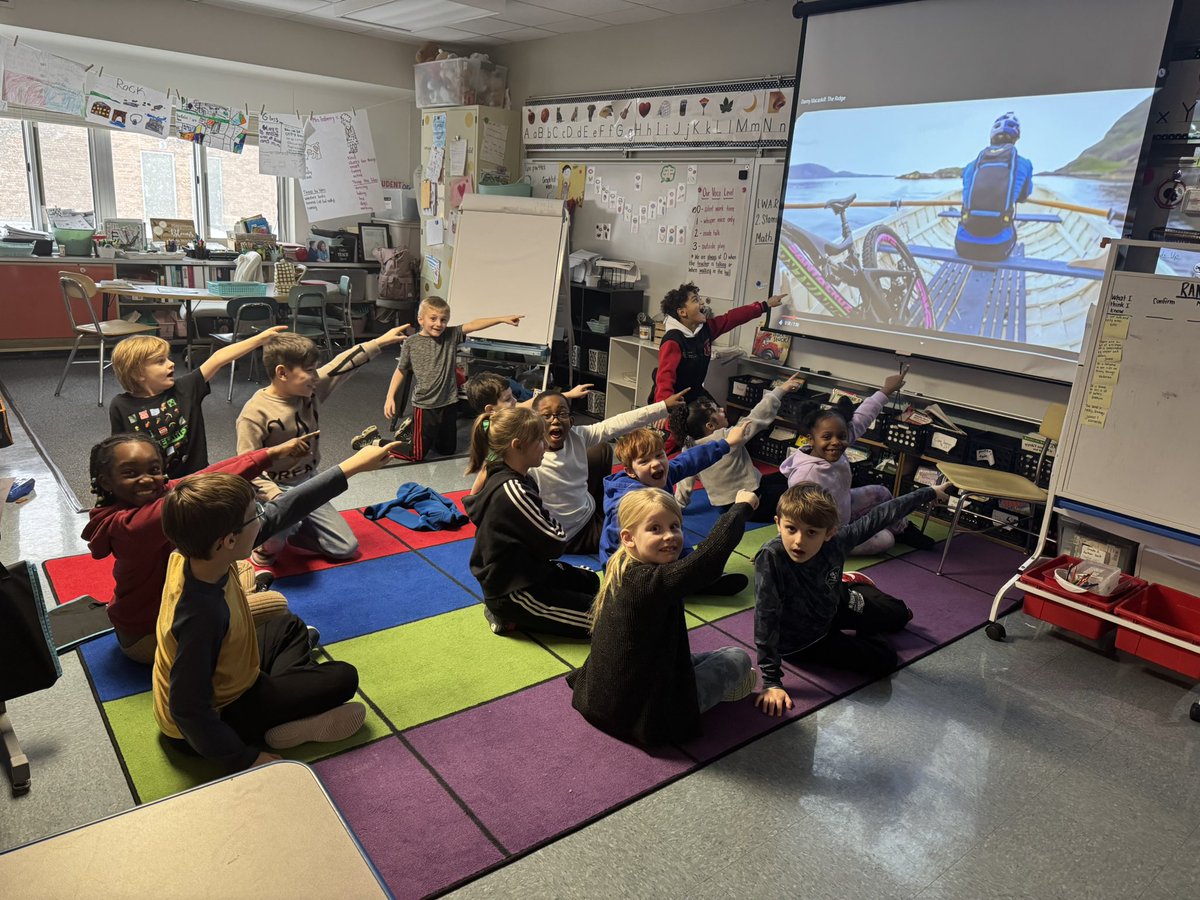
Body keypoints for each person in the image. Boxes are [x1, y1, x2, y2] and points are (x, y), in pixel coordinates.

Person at [154, 440, 400, 771]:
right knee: (343, 677)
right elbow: (187, 709)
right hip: (210, 721)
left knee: (290, 627)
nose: (263, 518)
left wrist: (353, 465)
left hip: (229, 677)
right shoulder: (203, 615)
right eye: (254, 515)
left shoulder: (194, 550)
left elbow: (285, 509)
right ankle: (284, 727)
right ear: (228, 540)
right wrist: (245, 758)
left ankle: (287, 707)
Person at [82, 432, 311, 663]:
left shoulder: (156, 496)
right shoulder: (131, 526)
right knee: (276, 604)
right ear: (105, 481)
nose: (146, 479)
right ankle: (266, 644)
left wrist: (269, 454)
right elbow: (207, 485)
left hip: (150, 613)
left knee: (241, 567)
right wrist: (268, 456)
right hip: (152, 637)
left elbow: (203, 476)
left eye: (153, 470)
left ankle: (242, 599)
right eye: (130, 473)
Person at [567, 488, 759, 745]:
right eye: (655, 529)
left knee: (710, 656)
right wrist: (740, 509)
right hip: (641, 715)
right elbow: (708, 561)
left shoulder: (622, 567)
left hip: (600, 699)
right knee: (739, 657)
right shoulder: (649, 582)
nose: (669, 536)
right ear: (628, 537)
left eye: (675, 526)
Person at [753, 479, 953, 716]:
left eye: (811, 533)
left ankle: (851, 586)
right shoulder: (771, 557)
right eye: (791, 529)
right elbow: (766, 617)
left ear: (829, 533)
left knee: (899, 614)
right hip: (804, 642)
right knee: (885, 660)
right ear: (778, 524)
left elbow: (881, 514)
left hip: (834, 603)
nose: (799, 541)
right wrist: (772, 681)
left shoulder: (838, 541)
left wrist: (930, 492)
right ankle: (859, 609)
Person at [236, 327, 409, 568]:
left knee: (345, 548)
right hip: (272, 490)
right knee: (279, 529)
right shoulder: (254, 413)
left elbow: (343, 363)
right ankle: (264, 542)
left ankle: (292, 530)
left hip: (308, 481)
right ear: (282, 373)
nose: (316, 376)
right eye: (308, 371)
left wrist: (380, 341)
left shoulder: (310, 388)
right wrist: (279, 499)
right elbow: (247, 465)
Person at [462, 406, 598, 638]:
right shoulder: (512, 490)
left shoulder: (515, 475)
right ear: (517, 445)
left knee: (592, 582)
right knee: (605, 622)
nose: (545, 445)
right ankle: (507, 616)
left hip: (533, 569)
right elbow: (556, 542)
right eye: (539, 440)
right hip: (515, 590)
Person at [780, 366, 933, 554]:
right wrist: (782, 546)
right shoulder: (806, 475)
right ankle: (878, 533)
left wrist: (886, 390)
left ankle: (903, 529)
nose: (835, 442)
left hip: (844, 507)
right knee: (885, 540)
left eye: (841, 436)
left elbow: (862, 417)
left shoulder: (837, 444)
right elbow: (792, 513)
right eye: (827, 437)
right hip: (831, 533)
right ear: (811, 439)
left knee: (881, 493)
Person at [528, 386, 689, 554]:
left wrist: (662, 407)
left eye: (562, 414)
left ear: (571, 420)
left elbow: (617, 423)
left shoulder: (577, 436)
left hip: (587, 508)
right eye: (546, 416)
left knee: (601, 449)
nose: (555, 420)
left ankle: (605, 502)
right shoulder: (531, 459)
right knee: (640, 535)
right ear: (534, 422)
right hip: (572, 534)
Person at [109, 329, 285, 479]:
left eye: (168, 358)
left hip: (196, 479)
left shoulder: (185, 388)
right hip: (152, 485)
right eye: (160, 361)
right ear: (138, 373)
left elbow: (218, 358)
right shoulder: (120, 405)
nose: (171, 364)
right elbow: (119, 452)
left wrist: (260, 339)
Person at [599, 425, 746, 595]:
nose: (655, 464)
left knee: (673, 529)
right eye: (644, 461)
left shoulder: (661, 475)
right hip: (631, 564)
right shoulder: (628, 502)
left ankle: (690, 574)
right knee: (666, 531)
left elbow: (689, 460)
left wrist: (727, 443)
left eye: (659, 455)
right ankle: (680, 579)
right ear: (631, 471)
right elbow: (614, 544)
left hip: (657, 550)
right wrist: (617, 576)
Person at [382, 296, 522, 461]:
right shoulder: (411, 343)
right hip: (425, 404)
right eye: (433, 318)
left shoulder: (450, 335)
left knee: (447, 450)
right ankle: (379, 444)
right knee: (417, 455)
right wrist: (390, 397)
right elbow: (401, 371)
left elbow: (473, 324)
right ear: (420, 319)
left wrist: (501, 319)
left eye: (444, 320)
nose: (438, 324)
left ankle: (417, 433)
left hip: (448, 402)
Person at [653, 283, 786, 449]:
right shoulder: (673, 340)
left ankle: (710, 466)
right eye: (695, 300)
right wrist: (662, 409)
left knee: (722, 423)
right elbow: (664, 378)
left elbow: (732, 318)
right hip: (673, 399)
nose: (702, 304)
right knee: (671, 440)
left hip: (695, 393)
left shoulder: (705, 329)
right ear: (682, 312)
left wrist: (764, 306)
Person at [677, 373, 805, 521]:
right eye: (717, 411)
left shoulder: (689, 448)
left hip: (726, 507)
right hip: (751, 503)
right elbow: (758, 416)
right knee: (798, 490)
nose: (722, 410)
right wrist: (781, 389)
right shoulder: (728, 437)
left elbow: (684, 483)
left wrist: (677, 506)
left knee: (787, 475)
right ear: (710, 426)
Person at [955, 111, 1033, 262]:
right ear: (1016, 138)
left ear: (992, 136)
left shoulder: (971, 166)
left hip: (963, 246)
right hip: (998, 249)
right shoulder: (1024, 164)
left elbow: (966, 194)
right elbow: (1023, 197)